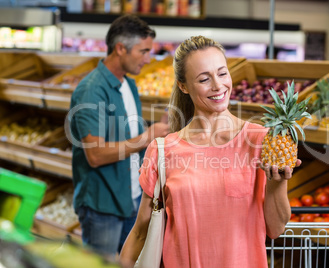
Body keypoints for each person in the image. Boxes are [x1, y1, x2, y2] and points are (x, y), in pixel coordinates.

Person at [119, 35, 300, 268]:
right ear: (183, 86)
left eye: (222, 73)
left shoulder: (261, 141)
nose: (218, 86)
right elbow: (140, 232)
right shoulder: (162, 150)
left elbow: (275, 229)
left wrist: (278, 182)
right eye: (204, 79)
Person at [68, 14, 170, 259]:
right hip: (102, 204)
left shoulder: (128, 85)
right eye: (143, 51)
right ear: (121, 48)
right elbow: (95, 154)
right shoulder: (91, 91)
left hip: (131, 198)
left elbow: (127, 137)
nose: (148, 59)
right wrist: (146, 138)